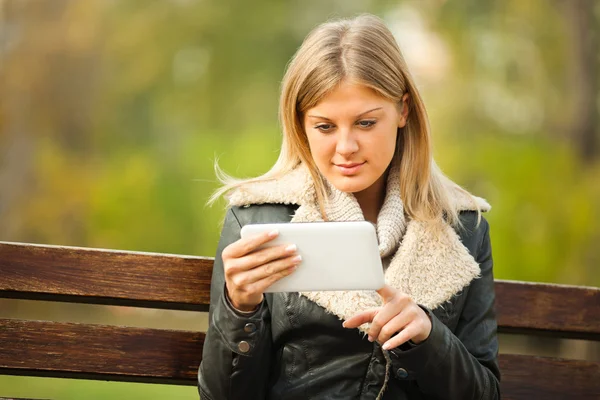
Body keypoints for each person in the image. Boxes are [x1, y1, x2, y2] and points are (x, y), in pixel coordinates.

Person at [198, 13, 500, 400]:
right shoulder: (259, 218)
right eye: (324, 126)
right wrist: (238, 309)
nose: (345, 147)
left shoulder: (463, 229)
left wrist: (428, 336)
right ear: (301, 125)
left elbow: (486, 394)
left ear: (403, 110)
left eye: (366, 123)